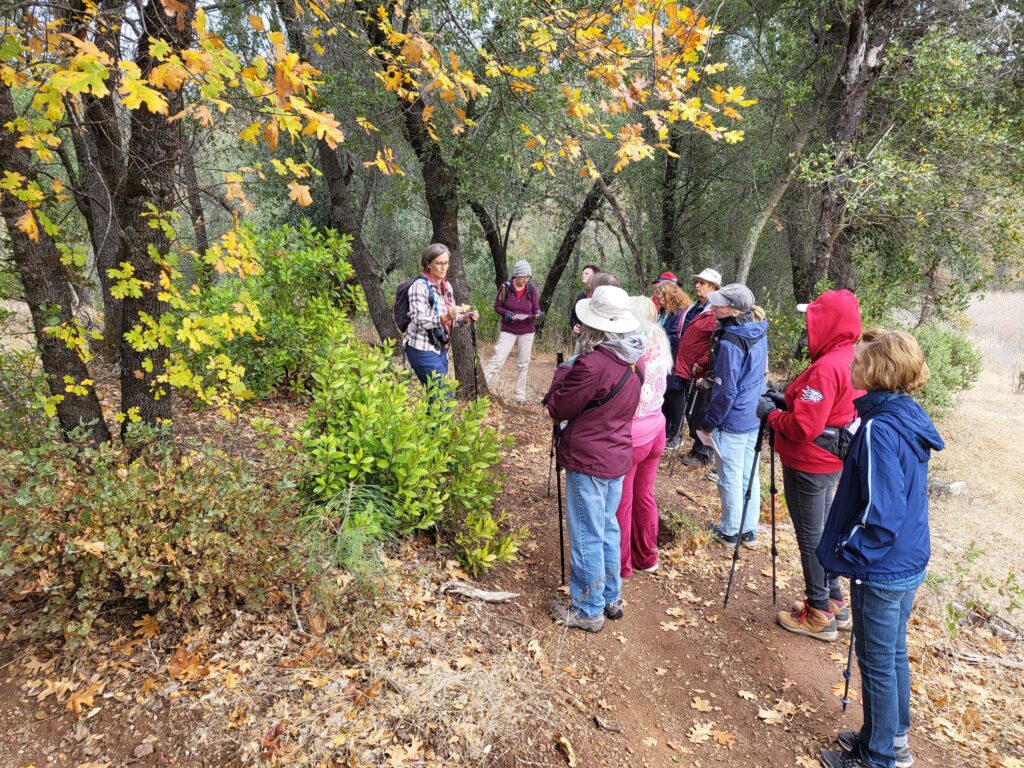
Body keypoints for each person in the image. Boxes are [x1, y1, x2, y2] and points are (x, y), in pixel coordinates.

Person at [817, 331, 942, 768]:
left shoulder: (879, 428)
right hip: (907, 557)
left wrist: (851, 552)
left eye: (859, 363)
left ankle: (878, 757)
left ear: (878, 371)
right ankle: (891, 738)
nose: (851, 368)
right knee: (890, 654)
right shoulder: (906, 415)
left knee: (875, 661)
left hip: (883, 567)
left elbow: (881, 512)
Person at [757, 290, 864, 642]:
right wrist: (786, 401)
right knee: (824, 531)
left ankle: (818, 612)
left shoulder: (827, 367)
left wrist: (772, 415)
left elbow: (805, 427)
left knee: (811, 536)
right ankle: (834, 600)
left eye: (813, 319)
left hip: (809, 462)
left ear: (828, 322)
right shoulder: (852, 358)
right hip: (833, 460)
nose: (808, 325)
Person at [545, 285, 645, 632]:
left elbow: (557, 407)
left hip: (589, 457)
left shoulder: (591, 365)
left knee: (587, 532)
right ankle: (609, 597)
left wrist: (563, 372)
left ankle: (588, 609)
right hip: (616, 454)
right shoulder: (633, 360)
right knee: (606, 527)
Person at [697, 283, 768, 547]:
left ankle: (729, 530)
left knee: (729, 475)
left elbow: (726, 389)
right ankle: (748, 529)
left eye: (719, 304)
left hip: (734, 417)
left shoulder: (730, 341)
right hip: (754, 412)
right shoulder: (758, 329)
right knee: (750, 474)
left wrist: (708, 423)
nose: (713, 307)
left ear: (734, 310)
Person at [615, 296, 672, 579]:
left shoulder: (633, 349)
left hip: (634, 433)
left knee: (623, 501)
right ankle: (647, 555)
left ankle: (622, 564)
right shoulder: (661, 341)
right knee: (644, 495)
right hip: (656, 426)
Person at [404, 243, 479, 389]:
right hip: (421, 348)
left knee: (435, 400)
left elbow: (452, 320)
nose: (443, 267)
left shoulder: (447, 286)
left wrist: (464, 318)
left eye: (446, 263)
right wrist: (445, 317)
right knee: (443, 397)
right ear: (428, 264)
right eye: (439, 263)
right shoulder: (419, 287)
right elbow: (419, 321)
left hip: (441, 349)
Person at [674, 268, 722, 466]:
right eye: (698, 281)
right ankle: (697, 449)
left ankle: (704, 454)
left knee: (699, 412)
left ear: (714, 287)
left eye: (703, 282)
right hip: (687, 369)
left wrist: (700, 362)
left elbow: (714, 343)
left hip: (701, 371)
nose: (697, 285)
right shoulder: (694, 308)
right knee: (690, 412)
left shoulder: (715, 312)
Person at [484, 260, 544, 404]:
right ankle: (483, 386)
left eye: (527, 276)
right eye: (523, 276)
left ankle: (519, 396)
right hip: (509, 329)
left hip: (527, 330)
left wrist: (538, 314)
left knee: (523, 363)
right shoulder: (505, 287)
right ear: (516, 275)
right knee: (498, 359)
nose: (525, 279)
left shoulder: (531, 289)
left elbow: (536, 308)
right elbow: (497, 306)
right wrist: (506, 314)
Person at [652, 280, 691, 450]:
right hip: (663, 358)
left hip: (675, 360)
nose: (658, 299)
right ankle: (667, 432)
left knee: (676, 396)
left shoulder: (680, 313)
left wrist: (659, 335)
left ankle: (676, 434)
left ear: (669, 295)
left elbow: (679, 337)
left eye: (661, 295)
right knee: (666, 395)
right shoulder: (664, 313)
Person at [570, 264, 600, 334]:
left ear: (595, 276)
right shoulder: (581, 296)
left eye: (586, 274)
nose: (583, 275)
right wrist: (574, 325)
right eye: (583, 273)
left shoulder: (600, 297)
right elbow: (573, 315)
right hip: (582, 338)